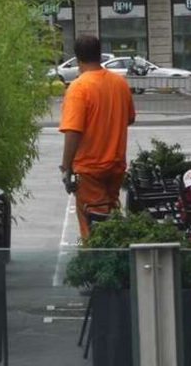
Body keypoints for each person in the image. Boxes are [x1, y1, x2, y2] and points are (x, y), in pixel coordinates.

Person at [59, 35, 136, 238]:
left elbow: (73, 131)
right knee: (112, 215)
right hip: (116, 165)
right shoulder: (119, 83)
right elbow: (129, 118)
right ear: (100, 54)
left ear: (77, 58)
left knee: (95, 224)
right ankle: (115, 257)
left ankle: (97, 262)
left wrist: (66, 166)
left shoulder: (79, 87)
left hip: (89, 167)